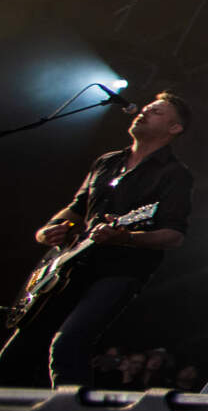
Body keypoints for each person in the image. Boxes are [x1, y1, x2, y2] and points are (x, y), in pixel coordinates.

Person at [0, 93, 194, 388]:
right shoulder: (107, 162)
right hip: (72, 266)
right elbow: (77, 209)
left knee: (68, 345)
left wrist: (125, 236)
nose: (143, 112)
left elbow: (174, 235)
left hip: (120, 271)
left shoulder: (174, 174)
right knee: (19, 346)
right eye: (146, 108)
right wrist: (50, 229)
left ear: (174, 128)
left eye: (155, 111)